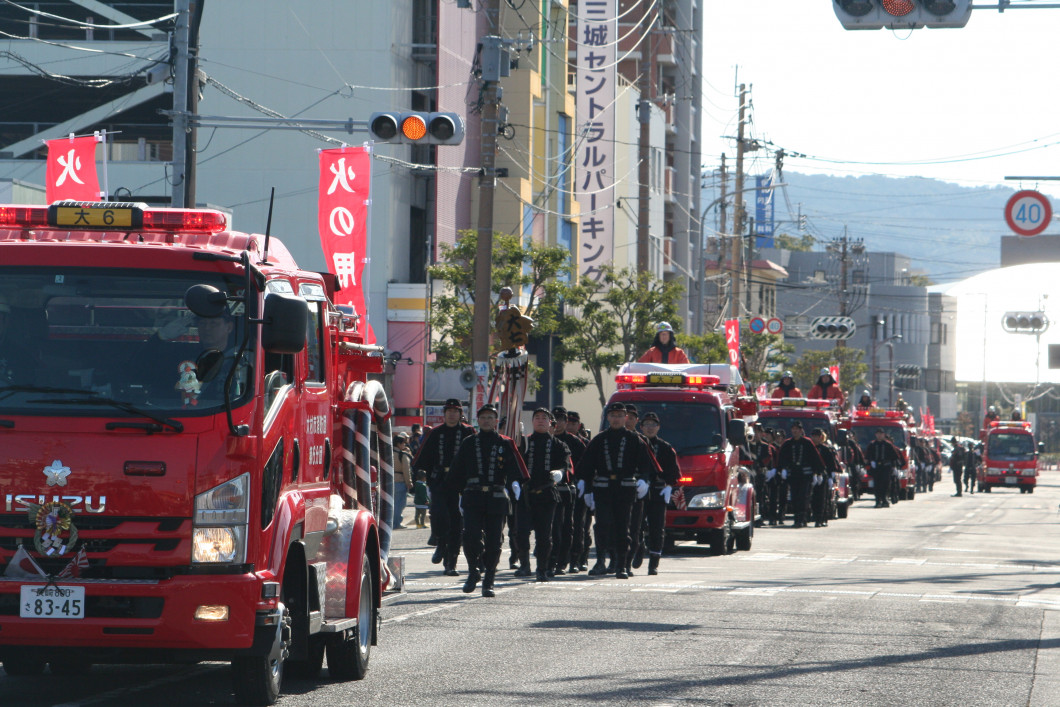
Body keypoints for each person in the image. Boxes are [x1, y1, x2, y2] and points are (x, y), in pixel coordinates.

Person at [447, 404, 528, 597]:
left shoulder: (505, 443)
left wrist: (515, 483)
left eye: (490, 417)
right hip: (473, 495)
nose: (486, 420)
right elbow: (457, 471)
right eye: (483, 417)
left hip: (497, 496)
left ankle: (489, 579)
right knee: (470, 536)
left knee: (494, 541)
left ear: (495, 421)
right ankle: (473, 570)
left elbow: (516, 467)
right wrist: (456, 494)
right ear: (478, 420)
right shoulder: (468, 442)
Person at [576, 401, 655, 579]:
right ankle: (600, 561)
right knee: (602, 526)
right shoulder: (599, 439)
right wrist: (586, 487)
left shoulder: (635, 439)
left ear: (625, 417)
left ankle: (621, 565)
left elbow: (646, 465)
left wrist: (644, 480)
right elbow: (586, 466)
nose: (616, 419)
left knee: (622, 528)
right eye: (613, 415)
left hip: (625, 490)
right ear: (608, 417)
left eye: (620, 415)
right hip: (603, 489)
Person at [412, 398, 474, 576]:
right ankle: (440, 543)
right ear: (444, 414)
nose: (452, 414)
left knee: (456, 522)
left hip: (461, 482)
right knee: (439, 514)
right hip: (439, 480)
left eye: (456, 411)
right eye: (449, 411)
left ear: (461, 414)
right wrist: (416, 478)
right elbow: (421, 457)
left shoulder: (468, 432)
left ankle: (451, 562)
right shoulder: (435, 433)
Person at [516, 408, 572, 582]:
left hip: (547, 493)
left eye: (544, 418)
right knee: (521, 532)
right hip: (526, 494)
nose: (540, 420)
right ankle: (524, 565)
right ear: (532, 422)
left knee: (544, 534)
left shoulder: (558, 445)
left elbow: (566, 464)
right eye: (537, 417)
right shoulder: (523, 443)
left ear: (550, 423)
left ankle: (543, 568)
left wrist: (561, 473)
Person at [639, 411, 680, 575]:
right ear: (641, 427)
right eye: (646, 425)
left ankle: (654, 562)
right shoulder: (636, 444)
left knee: (657, 528)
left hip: (658, 491)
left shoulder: (665, 447)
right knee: (637, 526)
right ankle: (638, 550)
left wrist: (669, 486)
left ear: (658, 427)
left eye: (653, 425)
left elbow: (674, 472)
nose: (650, 428)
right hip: (639, 491)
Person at [550, 406, 583, 576]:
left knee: (570, 527)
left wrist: (582, 483)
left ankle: (571, 560)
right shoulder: (543, 440)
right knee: (550, 528)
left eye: (562, 419)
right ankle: (550, 560)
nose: (558, 423)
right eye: (555, 419)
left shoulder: (575, 442)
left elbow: (584, 465)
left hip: (569, 489)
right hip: (547, 491)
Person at [776, 421, 824, 528]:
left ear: (801, 430)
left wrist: (818, 473)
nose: (795, 431)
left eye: (797, 429)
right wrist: (782, 469)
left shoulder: (808, 443)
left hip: (805, 475)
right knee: (794, 497)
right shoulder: (787, 443)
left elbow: (815, 458)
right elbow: (782, 458)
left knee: (803, 497)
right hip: (793, 475)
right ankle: (797, 518)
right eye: (793, 429)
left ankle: (802, 519)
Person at [865, 427, 902, 508]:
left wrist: (895, 467)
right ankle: (878, 500)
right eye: (878, 434)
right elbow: (867, 456)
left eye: (881, 434)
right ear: (875, 435)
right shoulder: (872, 444)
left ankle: (884, 499)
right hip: (876, 467)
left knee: (885, 483)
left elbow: (895, 456)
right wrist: (871, 462)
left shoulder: (888, 444)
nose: (879, 436)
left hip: (886, 467)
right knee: (877, 484)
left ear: (884, 435)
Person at [809, 428, 840, 527]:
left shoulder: (826, 449)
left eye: (817, 436)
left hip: (823, 476)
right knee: (812, 499)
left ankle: (822, 518)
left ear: (821, 437)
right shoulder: (810, 448)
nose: (814, 438)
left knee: (823, 499)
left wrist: (831, 477)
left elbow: (831, 465)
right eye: (813, 436)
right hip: (812, 476)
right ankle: (814, 516)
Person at [393, 432, 414, 529]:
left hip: (388, 482)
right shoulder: (403, 455)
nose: (404, 445)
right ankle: (397, 523)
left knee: (390, 504)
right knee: (399, 504)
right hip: (400, 481)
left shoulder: (387, 453)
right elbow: (406, 470)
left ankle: (390, 522)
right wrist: (409, 482)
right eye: (403, 443)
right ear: (399, 444)